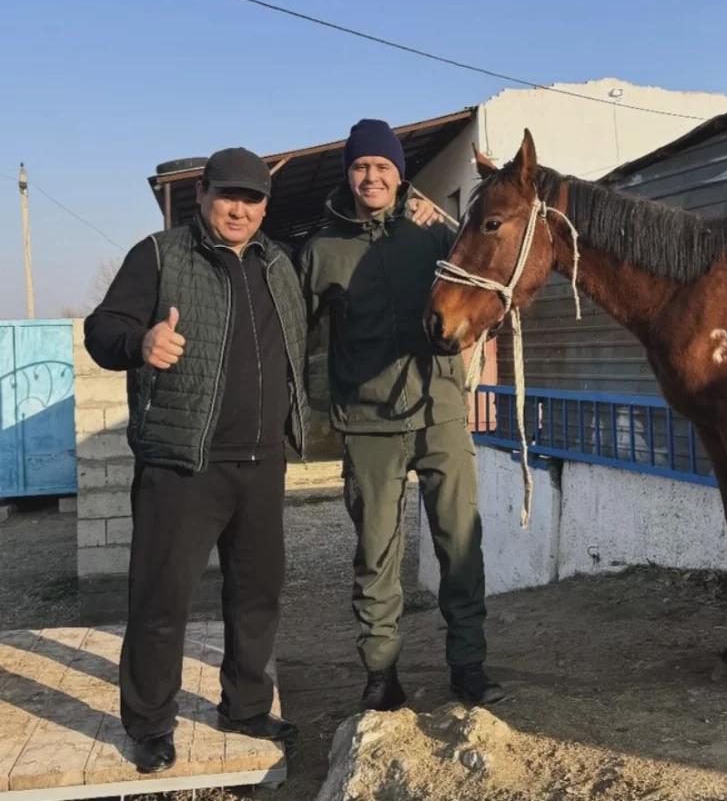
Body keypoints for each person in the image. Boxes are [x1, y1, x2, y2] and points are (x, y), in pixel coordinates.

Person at [83, 147, 309, 774]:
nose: (240, 209)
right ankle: (151, 723)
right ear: (203, 195)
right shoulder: (159, 255)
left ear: (266, 205)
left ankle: (244, 705)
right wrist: (140, 341)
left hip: (262, 464)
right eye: (229, 195)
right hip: (184, 463)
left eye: (254, 199)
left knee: (257, 594)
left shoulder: (279, 264)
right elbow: (101, 331)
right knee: (163, 599)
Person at [297, 119, 504, 711]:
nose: (372, 176)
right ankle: (381, 673)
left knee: (460, 545)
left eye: (382, 167)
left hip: (439, 413)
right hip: (367, 425)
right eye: (362, 166)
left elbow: (481, 284)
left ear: (398, 174)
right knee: (376, 554)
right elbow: (292, 333)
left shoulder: (432, 238)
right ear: (349, 174)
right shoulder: (321, 250)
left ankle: (468, 666)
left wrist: (454, 217)